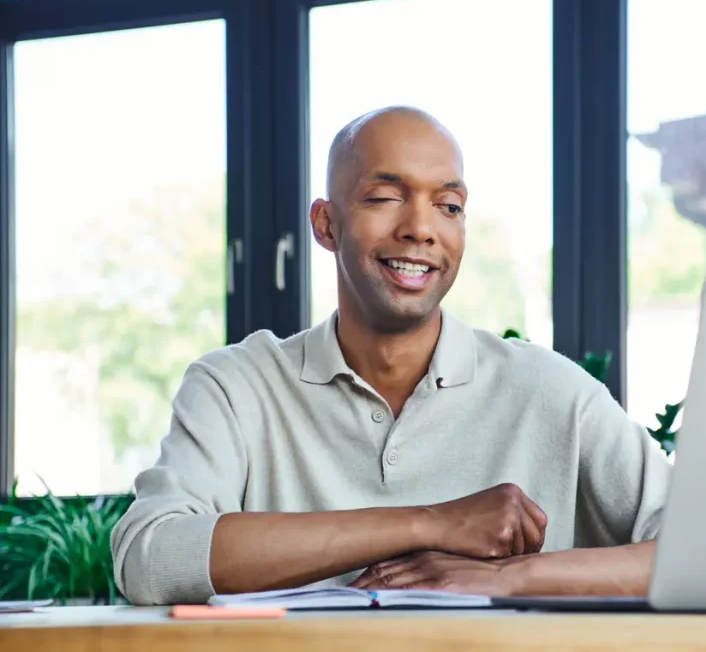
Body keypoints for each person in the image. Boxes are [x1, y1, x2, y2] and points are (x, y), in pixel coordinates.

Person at [111, 106, 671, 606]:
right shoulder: (236, 386)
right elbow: (151, 557)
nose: (421, 229)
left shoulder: (551, 390)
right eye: (384, 198)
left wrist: (511, 577)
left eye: (448, 205)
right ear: (326, 225)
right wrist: (430, 524)